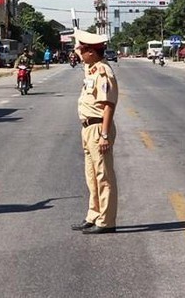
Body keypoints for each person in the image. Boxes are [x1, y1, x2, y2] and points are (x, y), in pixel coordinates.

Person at [71, 29, 119, 235]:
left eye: (82, 49)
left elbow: (108, 105)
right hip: (88, 128)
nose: (79, 52)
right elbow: (78, 49)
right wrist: (78, 38)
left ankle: (107, 221)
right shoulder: (91, 68)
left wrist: (105, 135)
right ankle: (94, 214)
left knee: (104, 176)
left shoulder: (102, 72)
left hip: (99, 127)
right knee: (91, 175)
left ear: (91, 51)